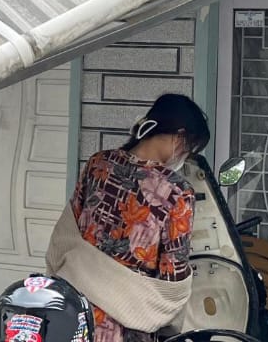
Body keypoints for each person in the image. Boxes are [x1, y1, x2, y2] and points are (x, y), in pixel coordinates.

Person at [46, 93, 210, 342]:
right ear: (179, 137)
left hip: (71, 308)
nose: (185, 157)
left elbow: (69, 228)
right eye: (189, 149)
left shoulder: (98, 163)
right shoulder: (177, 192)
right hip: (125, 323)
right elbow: (172, 273)